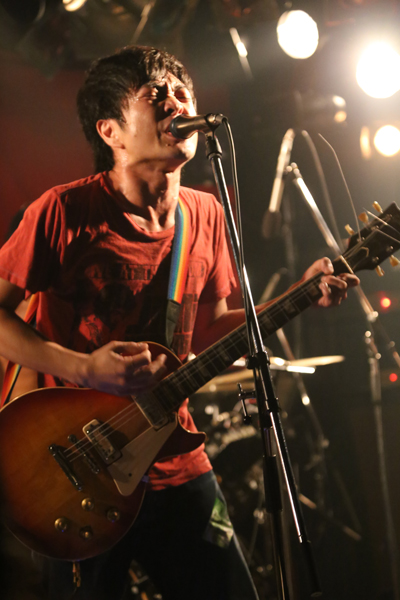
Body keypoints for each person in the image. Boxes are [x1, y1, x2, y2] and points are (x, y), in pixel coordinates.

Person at [0, 45, 359, 600]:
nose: (177, 102)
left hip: (174, 457)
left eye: (182, 91)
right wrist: (83, 368)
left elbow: (210, 327)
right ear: (111, 131)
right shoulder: (63, 211)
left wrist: (302, 295)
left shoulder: (206, 212)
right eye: (155, 94)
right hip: (75, 466)